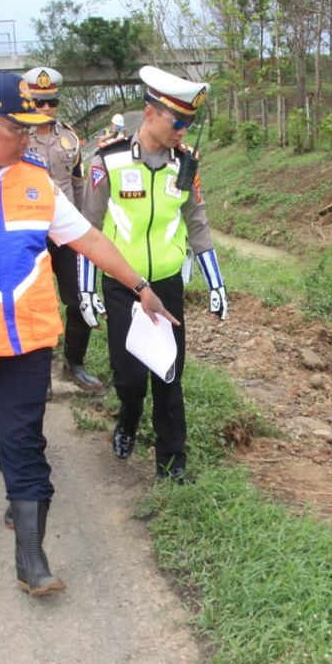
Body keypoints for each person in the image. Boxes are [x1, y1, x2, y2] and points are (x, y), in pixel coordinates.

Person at [0, 71, 177, 596]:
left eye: (32, 129)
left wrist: (140, 286)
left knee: (25, 440)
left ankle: (31, 556)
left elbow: (89, 238)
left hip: (25, 341)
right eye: (17, 129)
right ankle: (14, 486)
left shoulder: (34, 180)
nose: (28, 140)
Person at [80, 65, 228, 483]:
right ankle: (127, 420)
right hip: (122, 286)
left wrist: (215, 282)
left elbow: (197, 223)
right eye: (177, 121)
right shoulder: (106, 160)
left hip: (166, 285)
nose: (183, 130)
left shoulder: (185, 167)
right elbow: (87, 228)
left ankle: (171, 461)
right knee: (129, 378)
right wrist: (86, 288)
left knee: (169, 374)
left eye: (189, 123)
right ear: (150, 112)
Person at [23, 65, 103, 393]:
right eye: (39, 102)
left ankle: (75, 363)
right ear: (28, 102)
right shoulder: (16, 138)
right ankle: (36, 373)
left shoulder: (70, 138)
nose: (45, 109)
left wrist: (85, 227)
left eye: (51, 102)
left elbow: (79, 183)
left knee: (78, 296)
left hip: (66, 230)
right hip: (30, 232)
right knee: (34, 303)